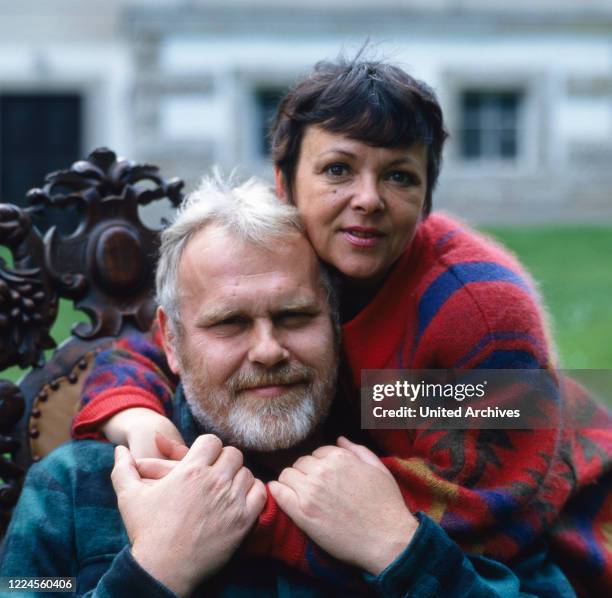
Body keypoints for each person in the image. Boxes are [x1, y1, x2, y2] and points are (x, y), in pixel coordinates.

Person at [71, 55, 611, 595]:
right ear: (284, 183)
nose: (368, 199)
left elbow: (484, 510)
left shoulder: (477, 311)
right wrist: (135, 415)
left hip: (575, 543)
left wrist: (237, 517)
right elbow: (167, 343)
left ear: (426, 200)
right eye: (338, 169)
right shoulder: (301, 255)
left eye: (400, 176)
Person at [0, 176, 574, 597]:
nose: (269, 349)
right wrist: (152, 571)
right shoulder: (76, 489)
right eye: (229, 323)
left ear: (336, 323)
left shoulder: (420, 457)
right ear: (170, 342)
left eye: (296, 316)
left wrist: (403, 550)